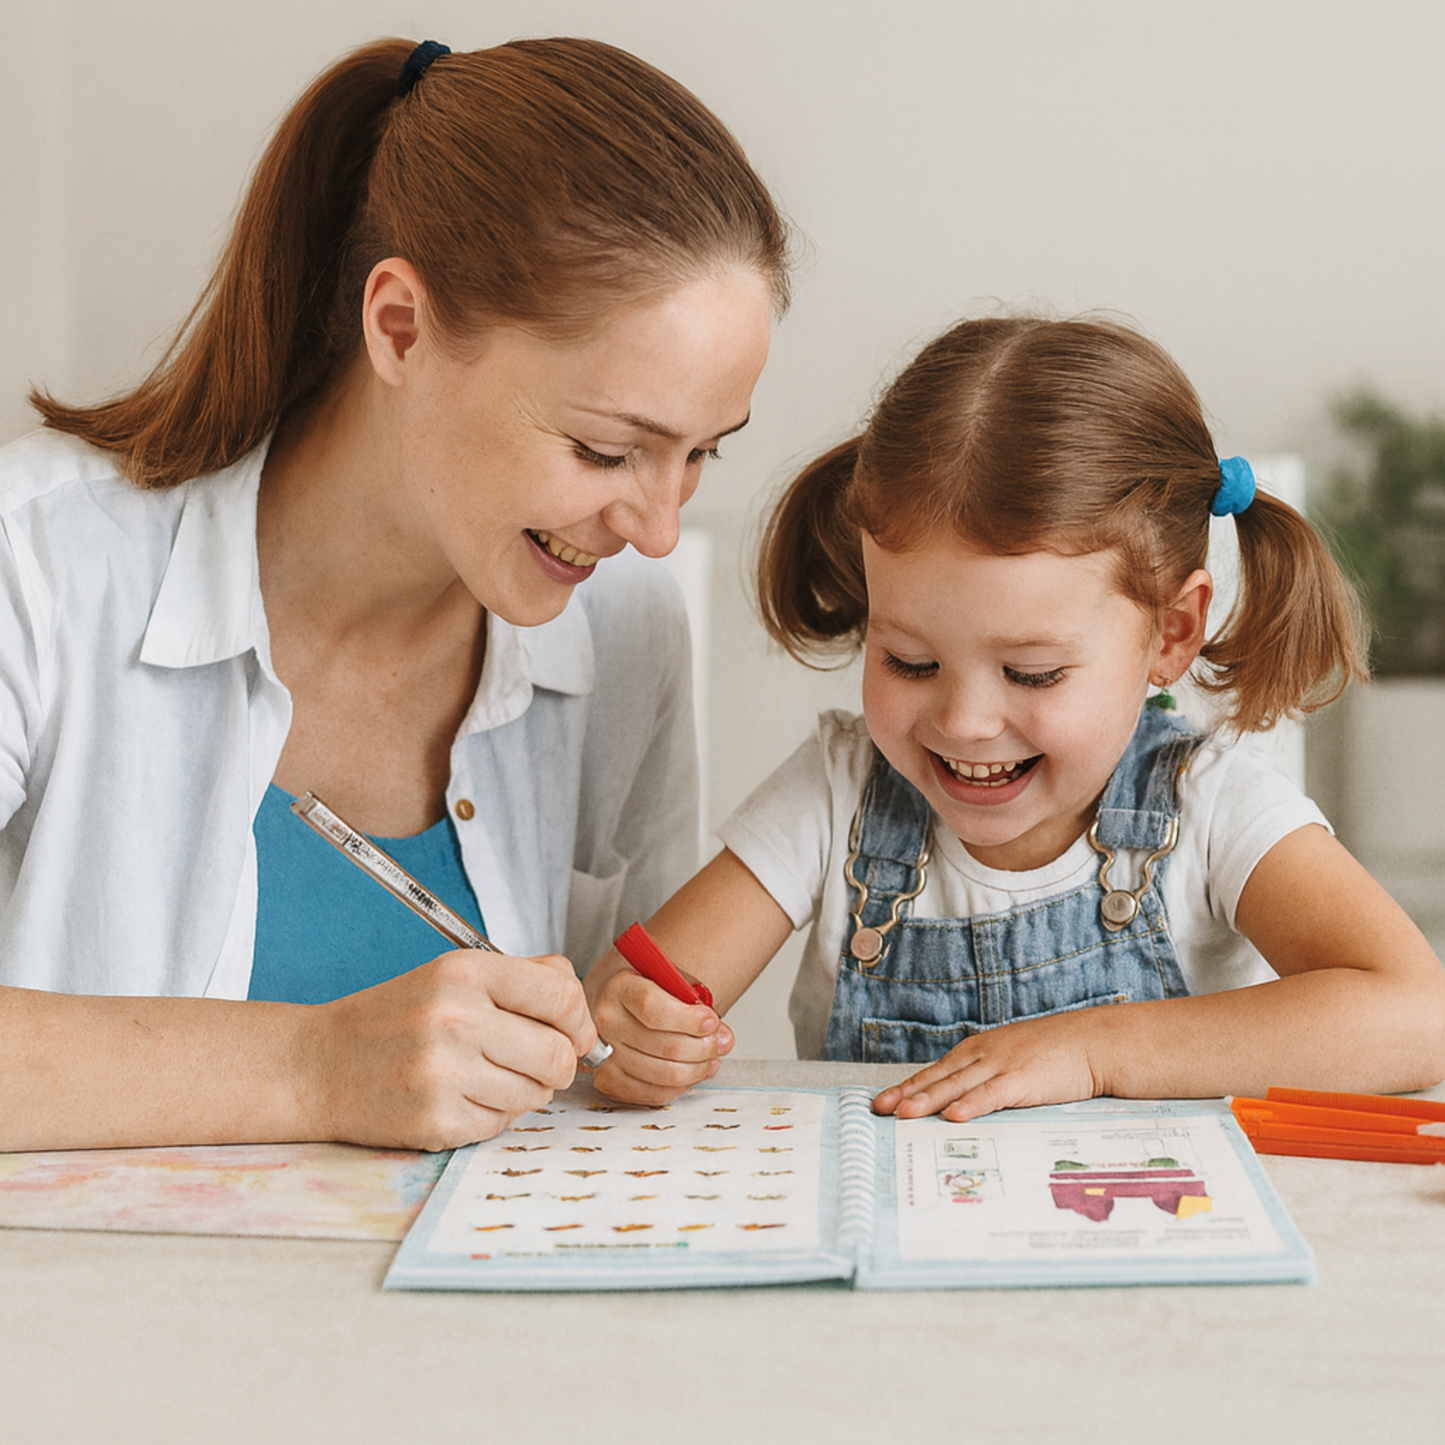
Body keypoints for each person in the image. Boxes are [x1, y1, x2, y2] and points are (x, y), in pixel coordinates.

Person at [0, 37, 786, 1151]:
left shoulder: (625, 626)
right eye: (606, 450)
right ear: (400, 327)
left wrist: (639, 1038)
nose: (655, 529)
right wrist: (314, 1066)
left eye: (702, 452)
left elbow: (612, 1053)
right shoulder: (38, 559)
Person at [586, 315, 1445, 1119]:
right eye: (908, 661)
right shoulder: (835, 792)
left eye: (1032, 673)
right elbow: (633, 996)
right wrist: (635, 1029)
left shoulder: (1210, 803)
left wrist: (1097, 1050)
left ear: (1170, 634)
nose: (963, 721)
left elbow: (1416, 1014)